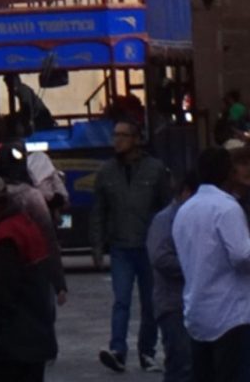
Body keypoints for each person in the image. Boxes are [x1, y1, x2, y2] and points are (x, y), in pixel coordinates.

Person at [97, 122, 175, 373]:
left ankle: (147, 352)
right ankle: (118, 350)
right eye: (115, 135)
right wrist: (97, 246)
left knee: (150, 302)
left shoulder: (155, 170)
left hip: (148, 247)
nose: (117, 140)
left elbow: (167, 207)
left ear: (137, 139)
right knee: (121, 300)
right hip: (121, 246)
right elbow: (98, 212)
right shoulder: (106, 172)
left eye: (123, 136)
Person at [0, 174, 58, 382]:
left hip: (14, 345)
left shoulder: (6, 236)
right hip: (32, 337)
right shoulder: (20, 224)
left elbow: (3, 294)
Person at [173, 151, 250, 382]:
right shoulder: (227, 208)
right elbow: (241, 255)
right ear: (229, 173)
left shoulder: (185, 210)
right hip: (230, 313)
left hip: (197, 310)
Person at [151, 176, 195, 382]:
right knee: (180, 364)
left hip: (190, 303)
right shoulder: (165, 219)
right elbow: (160, 258)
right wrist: (194, 265)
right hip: (172, 303)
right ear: (185, 191)